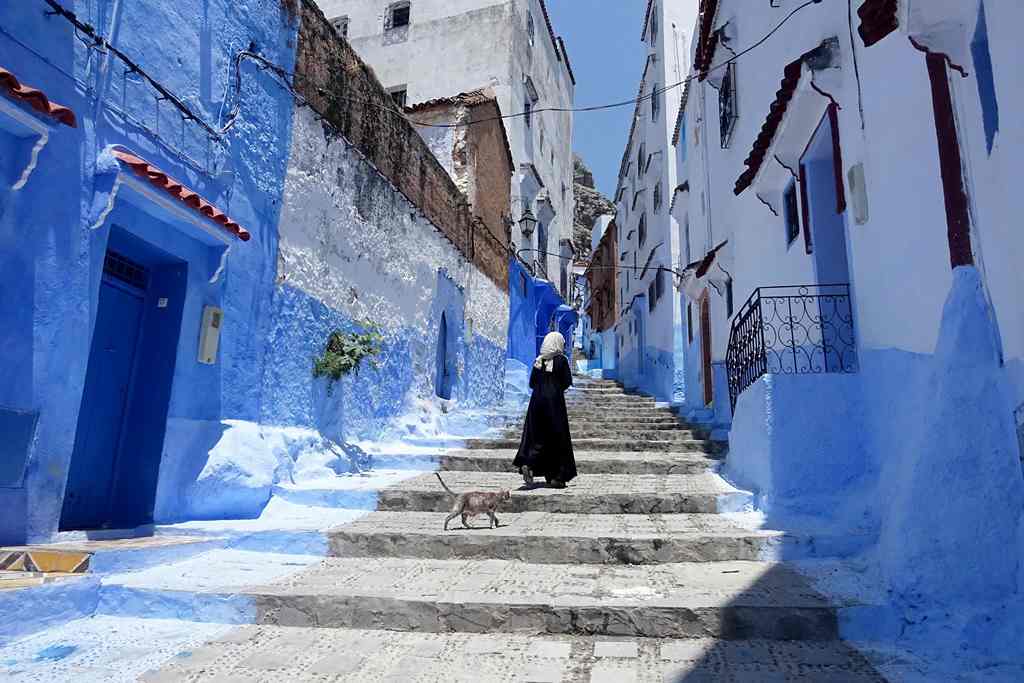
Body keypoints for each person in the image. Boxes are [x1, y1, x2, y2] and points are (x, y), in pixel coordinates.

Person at [512, 331, 577, 488]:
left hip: (536, 403)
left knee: (537, 436)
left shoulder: (538, 361)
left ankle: (529, 463)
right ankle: (557, 476)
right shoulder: (561, 361)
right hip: (554, 403)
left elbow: (532, 383)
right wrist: (554, 388)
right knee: (557, 438)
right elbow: (567, 381)